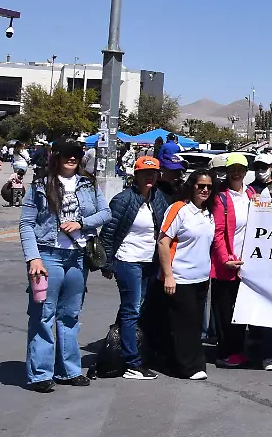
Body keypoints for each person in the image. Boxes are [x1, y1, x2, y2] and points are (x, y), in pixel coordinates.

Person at [19, 141, 112, 392]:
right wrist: (33, 258)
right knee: (43, 315)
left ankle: (68, 370)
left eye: (76, 155)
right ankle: (40, 374)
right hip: (47, 254)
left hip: (78, 257)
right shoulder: (41, 184)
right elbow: (27, 224)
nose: (72, 158)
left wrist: (81, 222)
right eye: (67, 155)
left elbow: (106, 213)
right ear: (57, 157)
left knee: (70, 315)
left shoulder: (88, 183)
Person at [101, 153, 171, 381]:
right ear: (136, 175)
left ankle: (117, 350)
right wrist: (108, 262)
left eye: (153, 173)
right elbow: (108, 233)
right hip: (127, 260)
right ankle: (133, 363)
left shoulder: (159, 198)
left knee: (137, 309)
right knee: (132, 309)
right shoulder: (123, 199)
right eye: (145, 173)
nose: (149, 177)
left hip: (149, 262)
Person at [154, 171, 216, 380]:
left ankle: (195, 363)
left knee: (196, 324)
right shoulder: (179, 209)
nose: (205, 189)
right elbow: (163, 242)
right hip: (180, 277)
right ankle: (186, 367)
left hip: (201, 278)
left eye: (208, 186)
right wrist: (168, 275)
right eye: (200, 186)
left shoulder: (208, 213)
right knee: (184, 324)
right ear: (192, 187)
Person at [210, 154, 261, 369]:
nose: (237, 172)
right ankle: (225, 352)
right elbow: (218, 233)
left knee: (241, 311)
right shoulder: (220, 197)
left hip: (247, 265)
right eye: (233, 169)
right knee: (224, 312)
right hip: (227, 266)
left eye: (241, 168)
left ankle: (238, 351)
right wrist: (225, 260)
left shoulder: (251, 194)